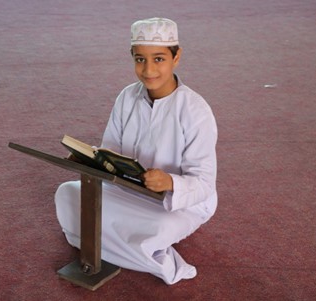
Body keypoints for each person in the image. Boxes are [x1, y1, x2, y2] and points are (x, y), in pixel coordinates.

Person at [54, 17, 217, 285]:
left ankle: (161, 262)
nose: (148, 69)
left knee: (157, 229)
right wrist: (90, 159)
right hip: (126, 189)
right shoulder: (126, 97)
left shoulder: (196, 111)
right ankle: (122, 245)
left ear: (176, 58)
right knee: (67, 193)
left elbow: (205, 184)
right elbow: (111, 151)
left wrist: (169, 181)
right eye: (140, 59)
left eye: (159, 59)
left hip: (176, 205)